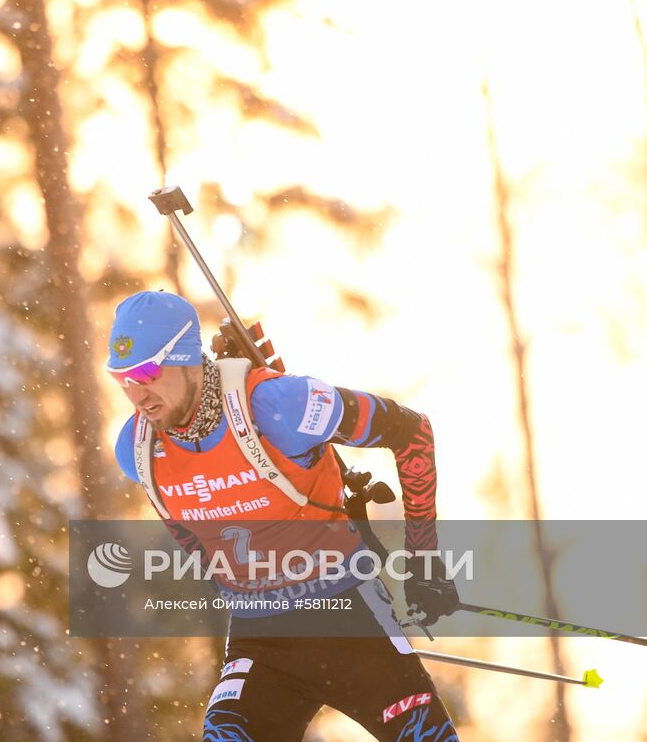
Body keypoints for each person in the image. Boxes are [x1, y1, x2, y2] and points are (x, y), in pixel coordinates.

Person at [106, 290, 461, 742]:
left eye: (146, 373)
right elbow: (186, 529)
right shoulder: (136, 450)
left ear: (187, 359)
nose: (136, 393)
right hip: (261, 640)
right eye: (122, 379)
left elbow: (411, 432)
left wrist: (424, 558)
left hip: (350, 619)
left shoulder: (280, 405)